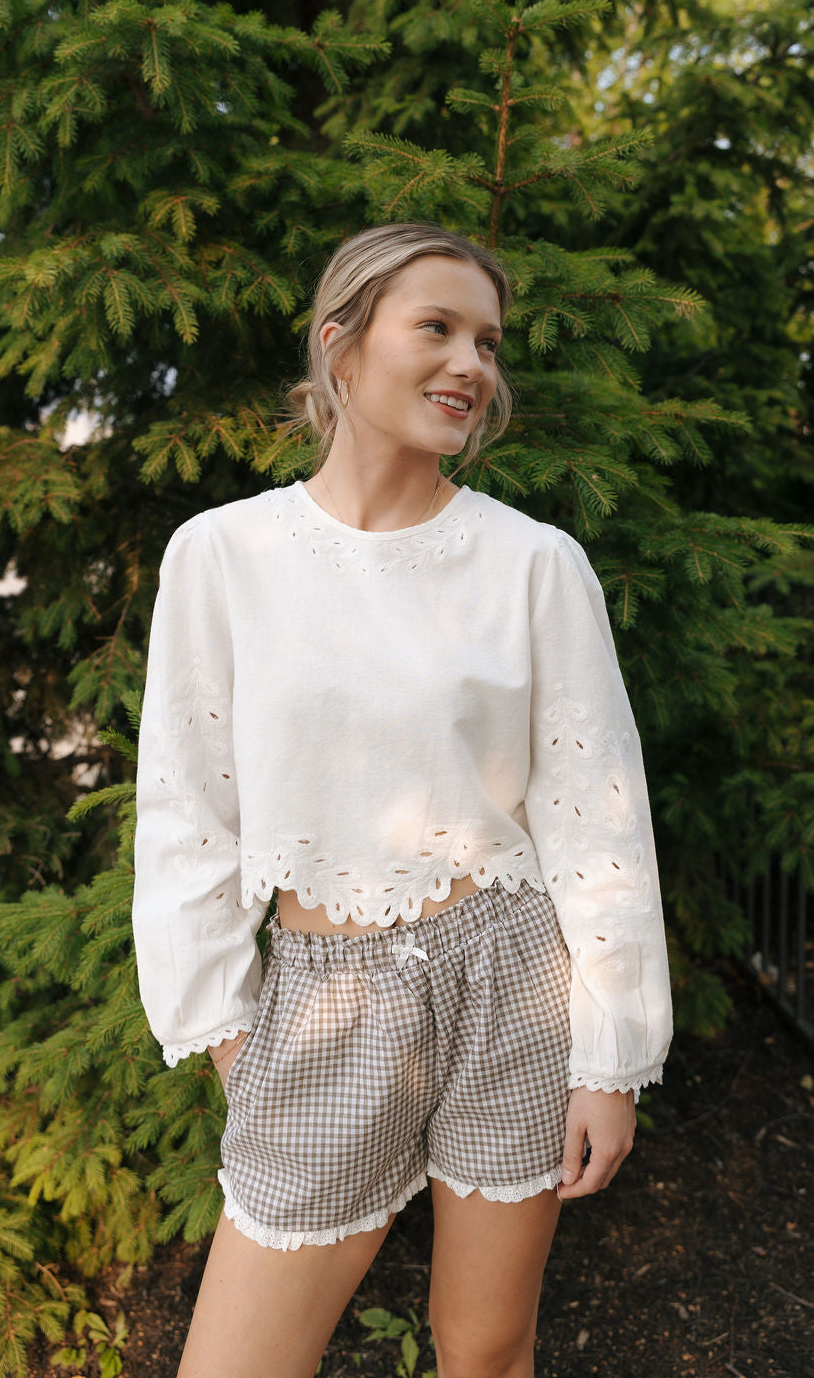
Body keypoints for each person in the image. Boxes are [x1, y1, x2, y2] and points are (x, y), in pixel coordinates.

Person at [131, 222, 672, 1378]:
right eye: (437, 328)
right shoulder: (223, 556)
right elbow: (187, 815)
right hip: (326, 1003)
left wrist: (609, 1058)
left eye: (487, 341)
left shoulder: (532, 564)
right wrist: (228, 1038)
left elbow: (595, 821)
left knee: (485, 1349)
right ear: (341, 344)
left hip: (512, 984)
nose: (471, 364)